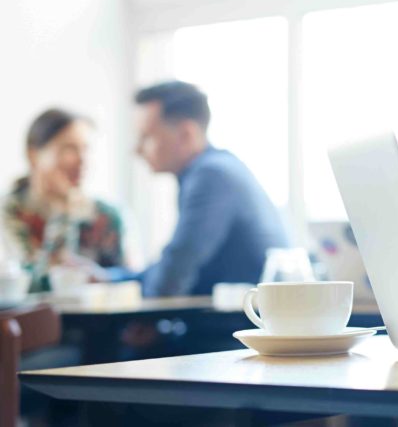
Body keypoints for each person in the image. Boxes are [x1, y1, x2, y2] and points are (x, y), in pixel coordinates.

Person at [135, 81, 289, 296]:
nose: (137, 150)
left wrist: (145, 319)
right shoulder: (213, 169)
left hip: (241, 321)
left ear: (186, 134)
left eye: (147, 137)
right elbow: (171, 263)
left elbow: (178, 265)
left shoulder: (211, 175)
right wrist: (114, 278)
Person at [2, 108, 125, 291]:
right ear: (33, 154)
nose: (83, 160)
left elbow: (126, 284)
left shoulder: (106, 214)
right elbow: (33, 285)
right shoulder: (11, 210)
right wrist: (64, 213)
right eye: (70, 149)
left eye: (86, 149)